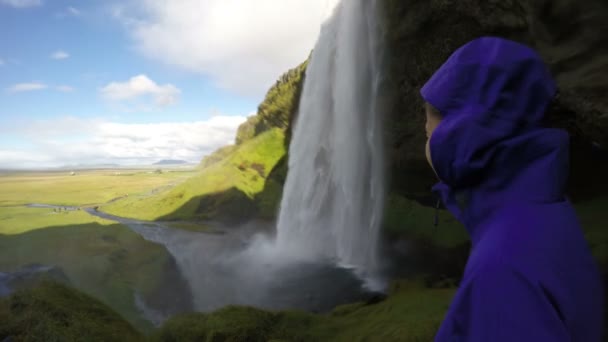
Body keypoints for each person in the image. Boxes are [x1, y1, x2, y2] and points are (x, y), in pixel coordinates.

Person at [421, 37, 604, 341]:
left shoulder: (501, 272)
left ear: (463, 130)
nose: (425, 132)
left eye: (429, 121)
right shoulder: (546, 216)